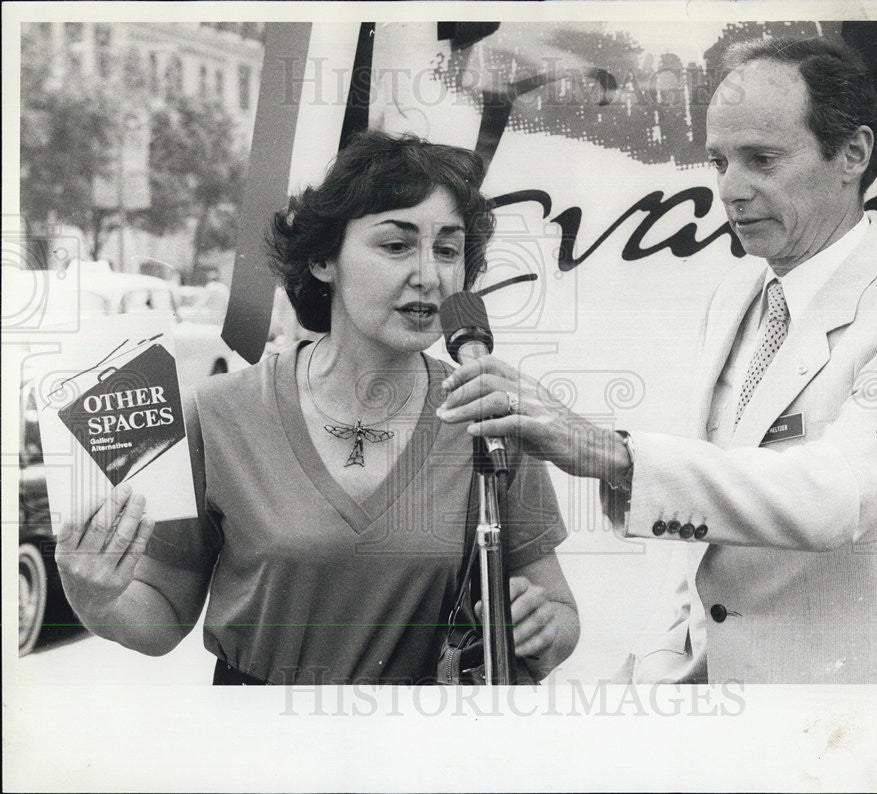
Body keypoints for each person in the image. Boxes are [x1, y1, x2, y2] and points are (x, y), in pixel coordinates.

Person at [438, 37, 877, 684]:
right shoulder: (734, 296)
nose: (730, 189)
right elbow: (700, 534)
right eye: (719, 160)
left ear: (854, 155)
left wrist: (611, 452)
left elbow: (834, 497)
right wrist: (652, 677)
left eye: (762, 160)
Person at [55, 132, 579, 685]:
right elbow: (163, 614)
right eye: (396, 245)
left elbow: (561, 616)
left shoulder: (489, 415)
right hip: (262, 748)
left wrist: (543, 628)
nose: (429, 274)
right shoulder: (217, 414)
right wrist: (97, 600)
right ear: (324, 259)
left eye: (448, 250)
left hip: (422, 753)